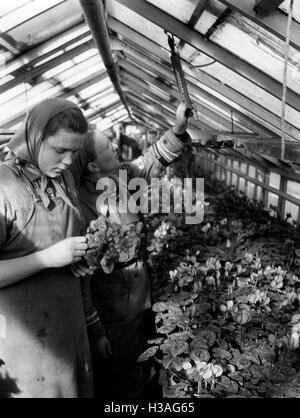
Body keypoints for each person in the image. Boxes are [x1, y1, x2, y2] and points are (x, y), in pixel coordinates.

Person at [71, 102, 191, 399]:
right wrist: (96, 330)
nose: (116, 148)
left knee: (141, 360)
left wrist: (178, 128)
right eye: (108, 148)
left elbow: (149, 162)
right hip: (112, 307)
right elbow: (82, 279)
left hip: (138, 294)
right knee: (122, 375)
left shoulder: (121, 177)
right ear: (93, 166)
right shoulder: (81, 209)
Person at [0, 98, 93, 398]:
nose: (68, 161)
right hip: (24, 348)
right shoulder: (4, 187)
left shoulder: (63, 179)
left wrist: (75, 258)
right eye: (59, 150)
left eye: (75, 152)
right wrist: (46, 259)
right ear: (35, 138)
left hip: (67, 333)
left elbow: (62, 238)